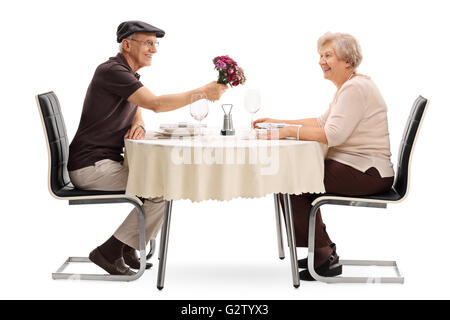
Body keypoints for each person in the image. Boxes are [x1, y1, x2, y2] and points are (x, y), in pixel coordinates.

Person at [68, 21, 227, 275]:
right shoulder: (112, 71)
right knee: (162, 187)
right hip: (91, 168)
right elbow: (155, 103)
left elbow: (138, 104)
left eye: (156, 44)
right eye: (148, 43)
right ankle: (109, 252)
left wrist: (139, 122)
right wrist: (202, 92)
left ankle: (129, 247)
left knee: (159, 182)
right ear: (126, 44)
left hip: (99, 162)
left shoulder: (124, 73)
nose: (154, 49)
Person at [253, 32, 394, 281]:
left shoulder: (355, 88)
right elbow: (321, 121)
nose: (321, 61)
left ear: (348, 61)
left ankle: (324, 255)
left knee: (292, 181)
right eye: (320, 55)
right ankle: (320, 251)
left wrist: (286, 131)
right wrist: (279, 122)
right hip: (361, 169)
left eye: (328, 55)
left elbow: (332, 135)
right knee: (291, 178)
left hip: (368, 173)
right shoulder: (349, 86)